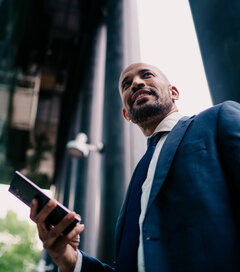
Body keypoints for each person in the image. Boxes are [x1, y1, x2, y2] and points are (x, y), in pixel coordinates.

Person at [30, 62, 240, 272]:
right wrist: (70, 260)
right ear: (126, 114)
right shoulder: (140, 175)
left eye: (147, 75)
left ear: (173, 92)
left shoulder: (217, 120)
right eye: (126, 84)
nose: (137, 83)